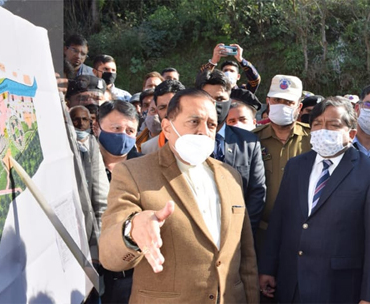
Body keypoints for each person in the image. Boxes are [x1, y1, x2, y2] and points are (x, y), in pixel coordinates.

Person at [98, 89, 259, 303]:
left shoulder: (231, 176)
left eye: (211, 124)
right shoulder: (133, 173)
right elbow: (109, 255)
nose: (204, 131)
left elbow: (246, 256)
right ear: (167, 127)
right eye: (194, 122)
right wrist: (131, 230)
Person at [258, 97, 370, 303]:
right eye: (317, 124)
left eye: (333, 125)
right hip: (291, 283)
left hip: (338, 288)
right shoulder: (295, 166)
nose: (323, 130)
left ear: (351, 133)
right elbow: (279, 220)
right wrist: (268, 267)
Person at [196, 70, 267, 236]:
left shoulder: (248, 142)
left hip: (238, 236)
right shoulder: (185, 141)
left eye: (220, 99)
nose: (214, 104)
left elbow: (257, 192)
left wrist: (241, 232)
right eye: (208, 98)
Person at [92, 101, 143, 304]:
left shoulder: (146, 169)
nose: (123, 135)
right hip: (92, 273)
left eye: (130, 130)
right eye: (116, 128)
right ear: (97, 127)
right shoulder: (79, 166)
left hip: (132, 278)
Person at [252, 75, 312, 245]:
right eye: (277, 100)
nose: (282, 106)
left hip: (302, 232)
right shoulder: (252, 139)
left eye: (288, 102)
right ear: (268, 101)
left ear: (299, 107)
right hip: (262, 231)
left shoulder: (313, 138)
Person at [69, 105, 109, 279]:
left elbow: (101, 200)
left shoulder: (93, 146)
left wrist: (97, 248)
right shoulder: (60, 146)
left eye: (84, 119)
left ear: (91, 122)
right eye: (75, 119)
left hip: (88, 235)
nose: (80, 123)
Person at [140, 79, 184, 155]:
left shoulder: (200, 139)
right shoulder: (148, 148)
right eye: (162, 107)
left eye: (172, 105)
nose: (168, 112)